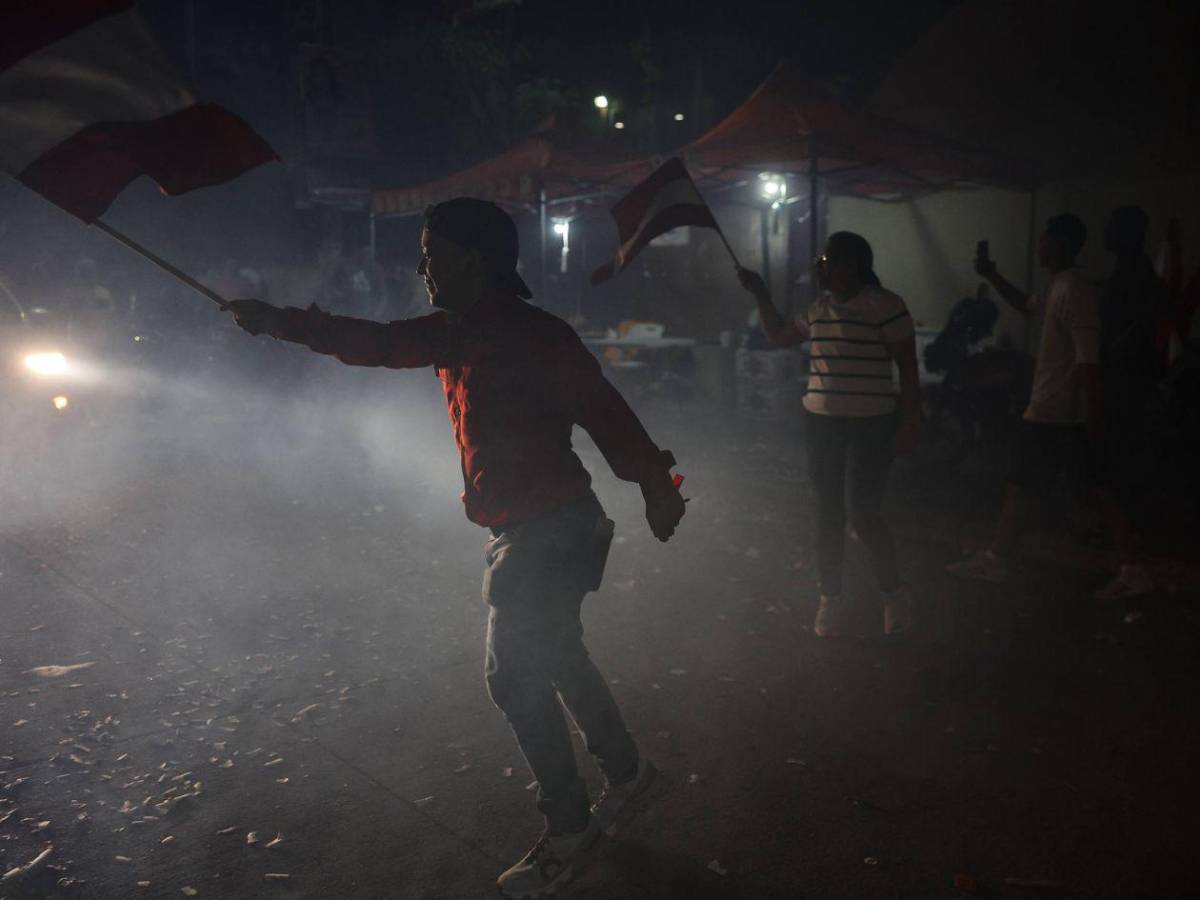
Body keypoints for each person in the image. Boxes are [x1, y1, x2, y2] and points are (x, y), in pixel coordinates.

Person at [226, 198, 686, 898]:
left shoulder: (528, 336)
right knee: (558, 652)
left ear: (476, 262)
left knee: (512, 675)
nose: (423, 270)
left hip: (551, 532)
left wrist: (657, 483)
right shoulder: (457, 333)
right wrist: (281, 323)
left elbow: (607, 417)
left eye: (433, 256)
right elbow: (374, 343)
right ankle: (630, 775)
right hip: (542, 528)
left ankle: (571, 829)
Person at [946, 213, 1154, 598]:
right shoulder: (1061, 285)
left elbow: (1088, 358)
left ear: (1060, 243)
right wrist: (991, 275)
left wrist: (1092, 416)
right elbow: (1027, 304)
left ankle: (999, 559)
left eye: (1044, 239)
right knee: (1046, 485)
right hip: (1058, 412)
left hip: (1057, 412)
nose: (1039, 246)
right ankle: (1129, 567)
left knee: (1048, 484)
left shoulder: (1075, 290)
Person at [738, 232, 920, 638]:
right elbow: (777, 336)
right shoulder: (818, 309)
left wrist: (911, 421)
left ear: (851, 266)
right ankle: (830, 598)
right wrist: (761, 294)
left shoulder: (887, 307)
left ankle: (894, 594)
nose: (819, 267)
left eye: (827, 260)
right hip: (822, 421)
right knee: (828, 512)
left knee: (865, 514)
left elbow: (909, 369)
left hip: (874, 421)